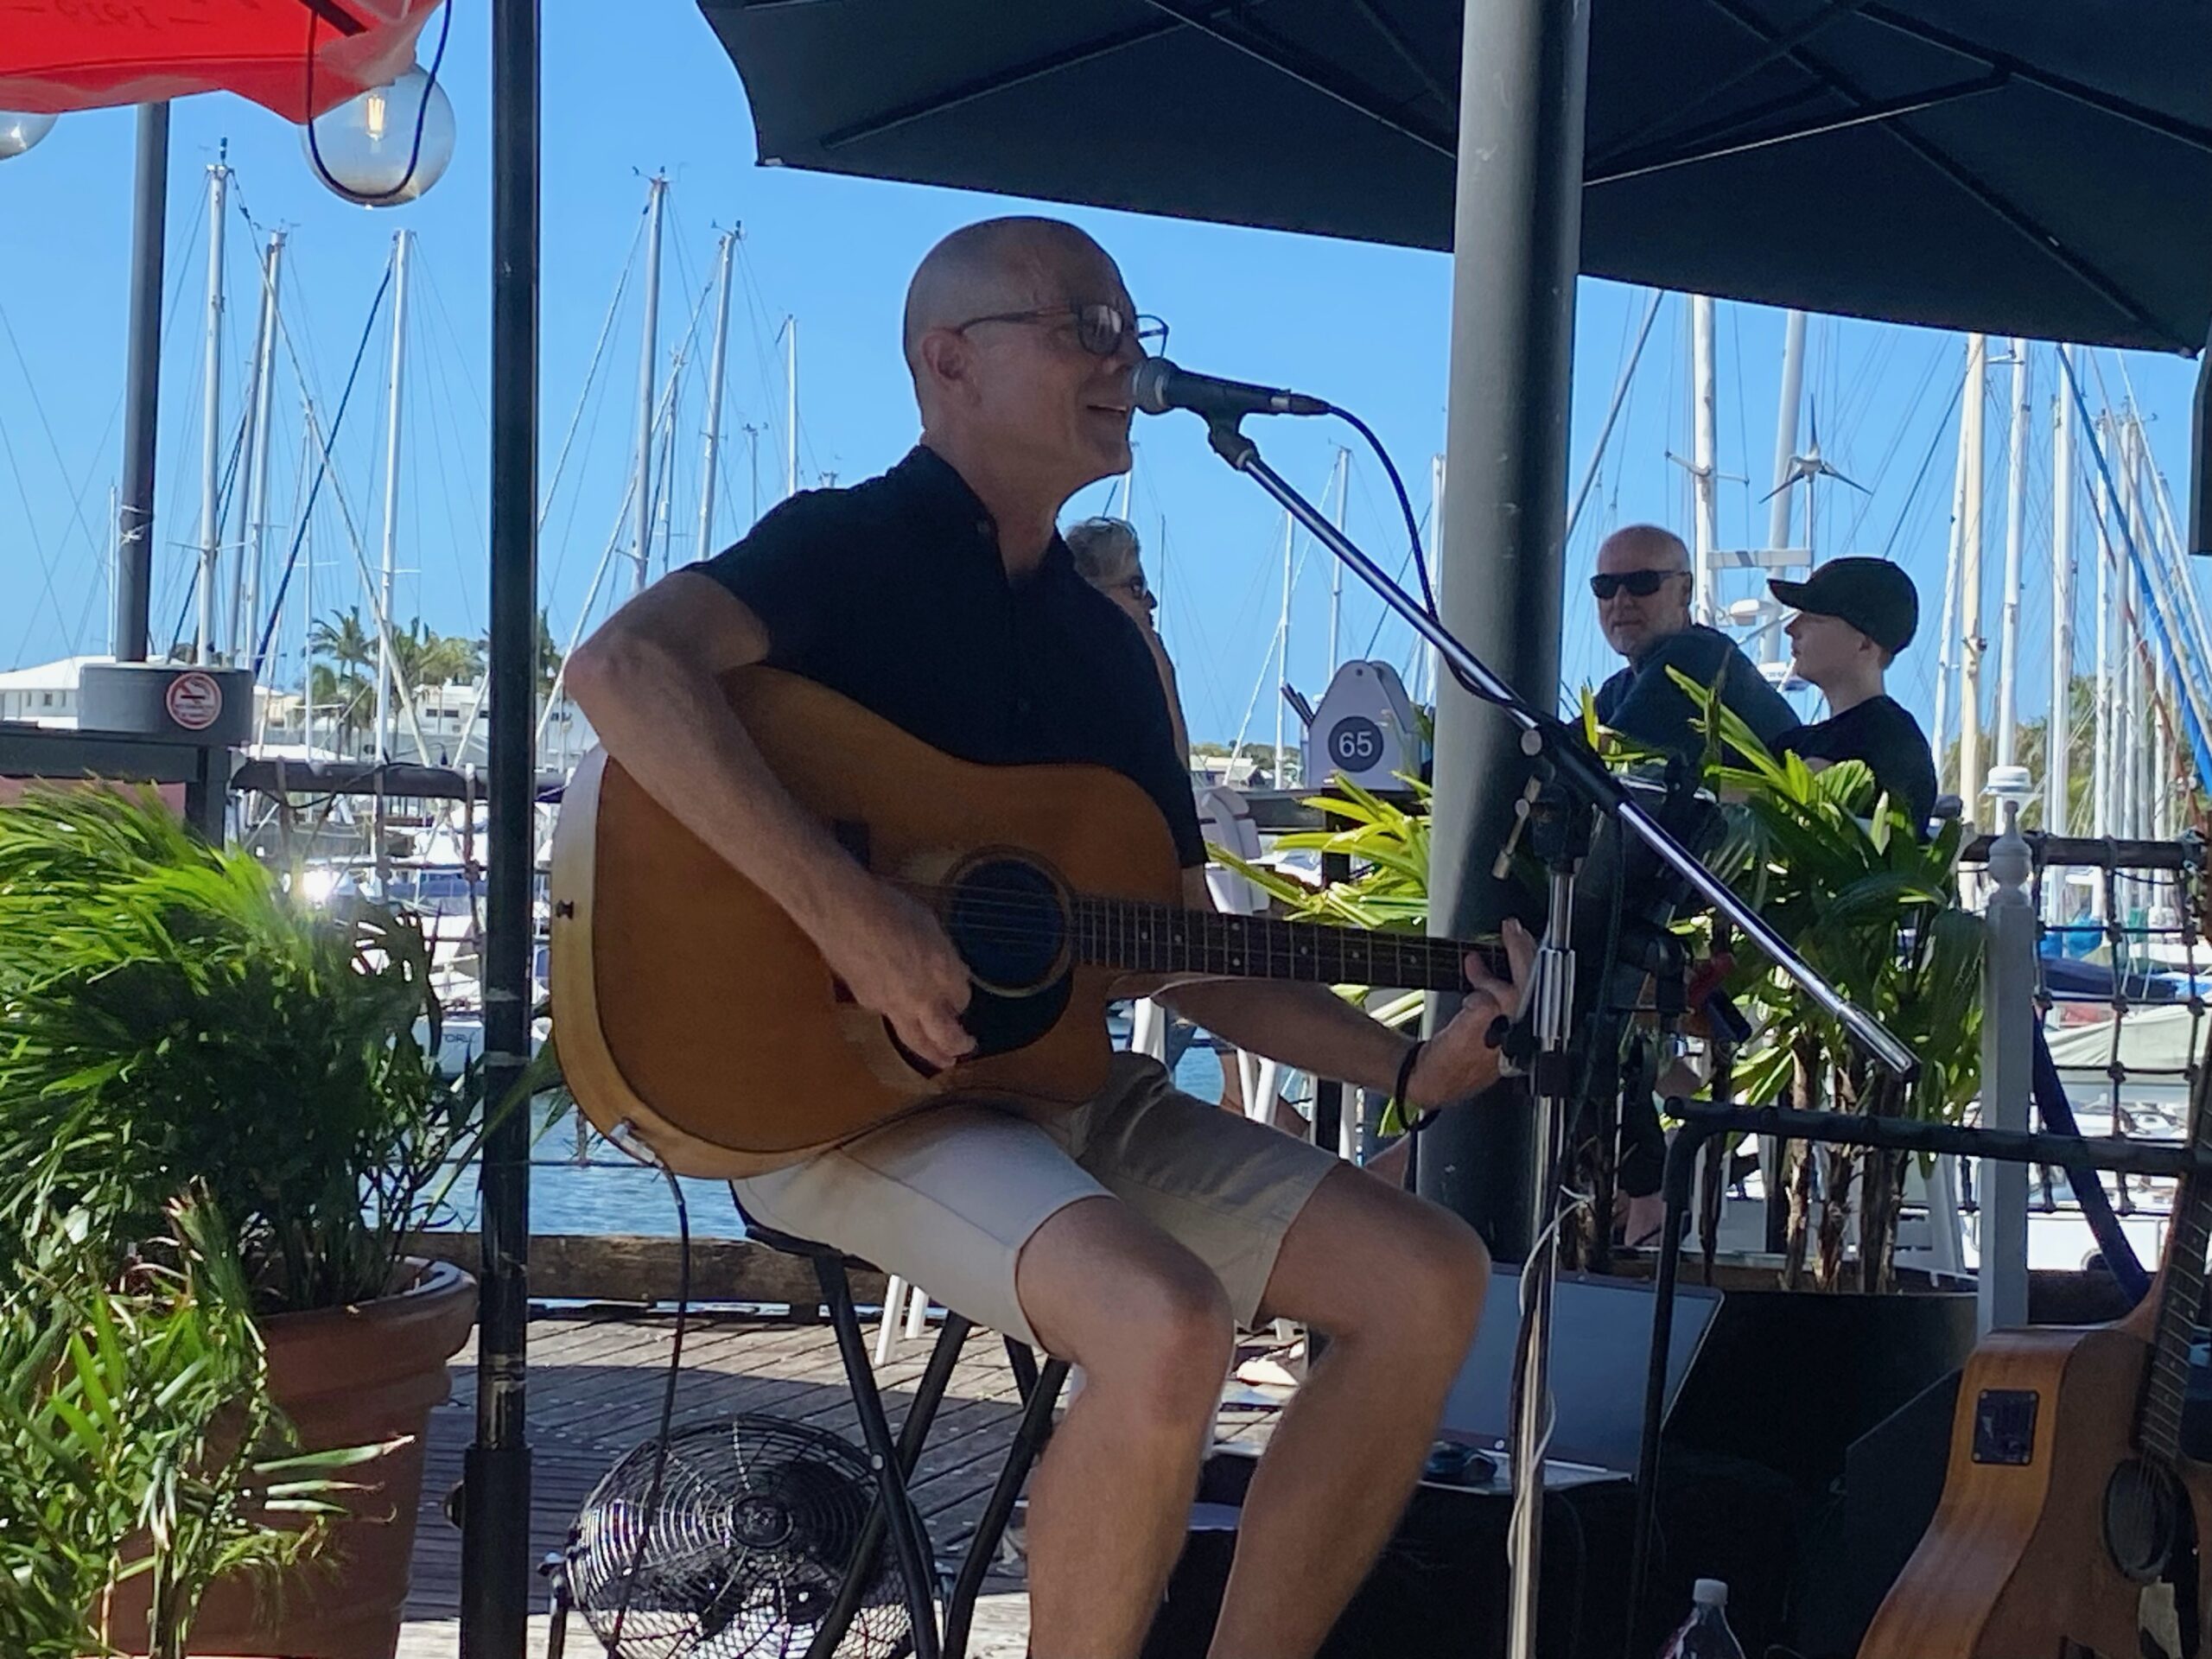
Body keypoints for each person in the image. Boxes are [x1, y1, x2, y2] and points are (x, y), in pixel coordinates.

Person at [567, 214, 1535, 1659]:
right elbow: (621, 670)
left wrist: (1406, 1072)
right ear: (949, 361)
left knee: (1428, 1276)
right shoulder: (851, 546)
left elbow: (1190, 954)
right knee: (1162, 1320)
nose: (1124, 358)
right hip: (833, 1105)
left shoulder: (1108, 647)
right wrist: (858, 918)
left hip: (1049, 1090)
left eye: (1131, 330)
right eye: (1083, 323)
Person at [1592, 524, 1799, 760]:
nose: (1621, 601)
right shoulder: (1620, 688)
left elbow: (1602, 756)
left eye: (1642, 583)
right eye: (1605, 587)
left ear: (1685, 590)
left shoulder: (1698, 658)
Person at [1771, 557, 1938, 835]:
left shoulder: (1891, 741)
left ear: (1864, 643)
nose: (1792, 628)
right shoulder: (1797, 741)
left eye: (1814, 618)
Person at [1065, 514, 1191, 763]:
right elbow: (1174, 782)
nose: (1151, 601)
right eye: (1136, 586)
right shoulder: (1096, 696)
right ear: (1094, 594)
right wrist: (1163, 672)